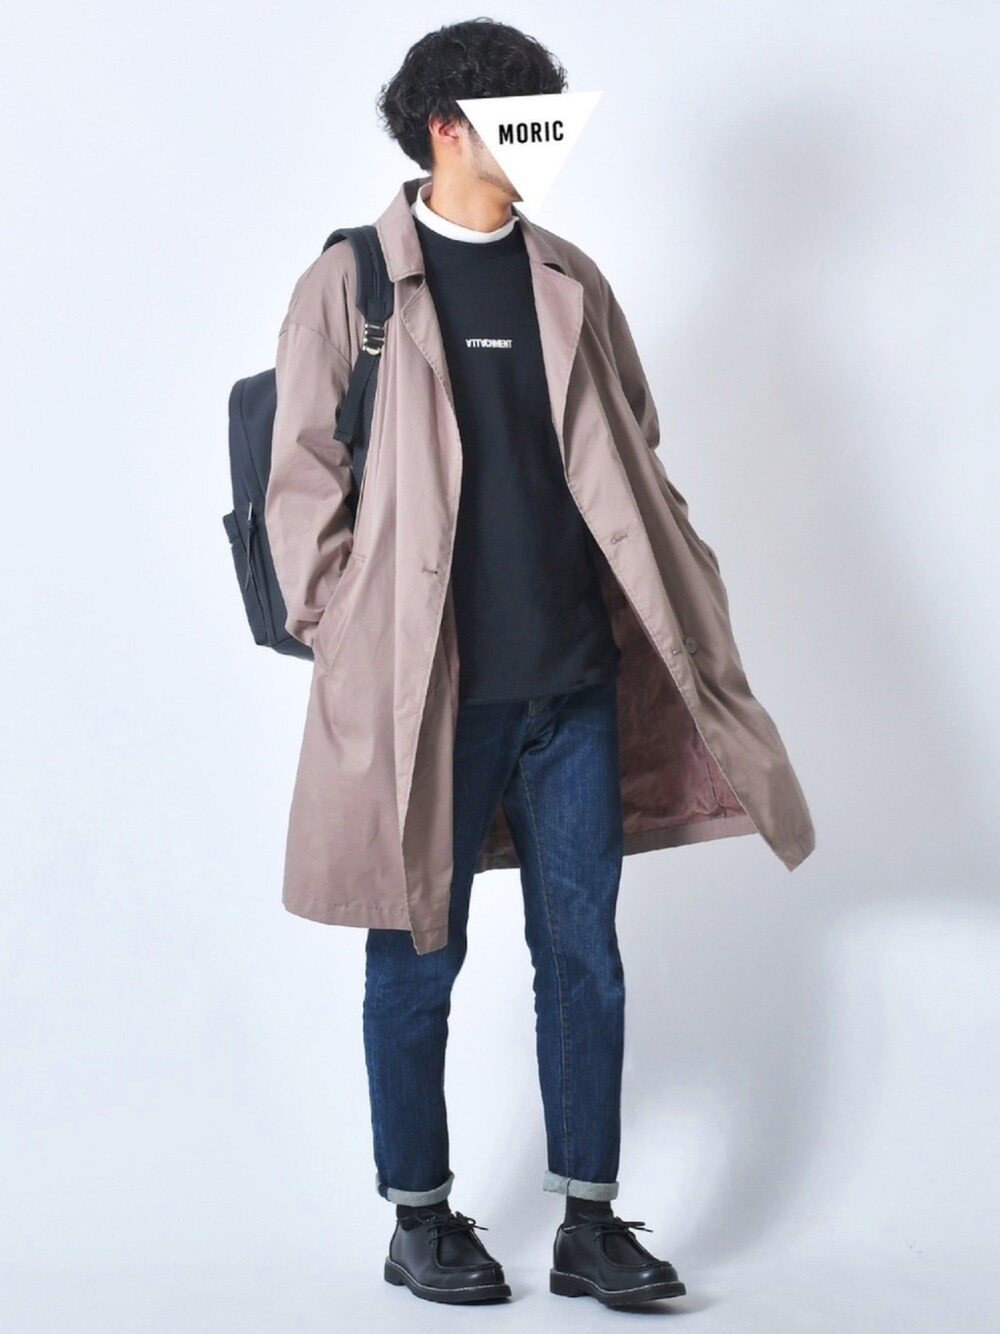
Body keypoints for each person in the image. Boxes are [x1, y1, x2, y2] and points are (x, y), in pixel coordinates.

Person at [267, 13, 814, 1309]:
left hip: (573, 686)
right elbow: (302, 477)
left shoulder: (569, 275)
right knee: (416, 959)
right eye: (528, 118)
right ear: (449, 129)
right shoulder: (353, 284)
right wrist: (344, 623)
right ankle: (418, 1216)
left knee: (585, 958)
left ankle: (588, 1220)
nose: (552, 140)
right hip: (430, 695)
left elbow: (634, 434)